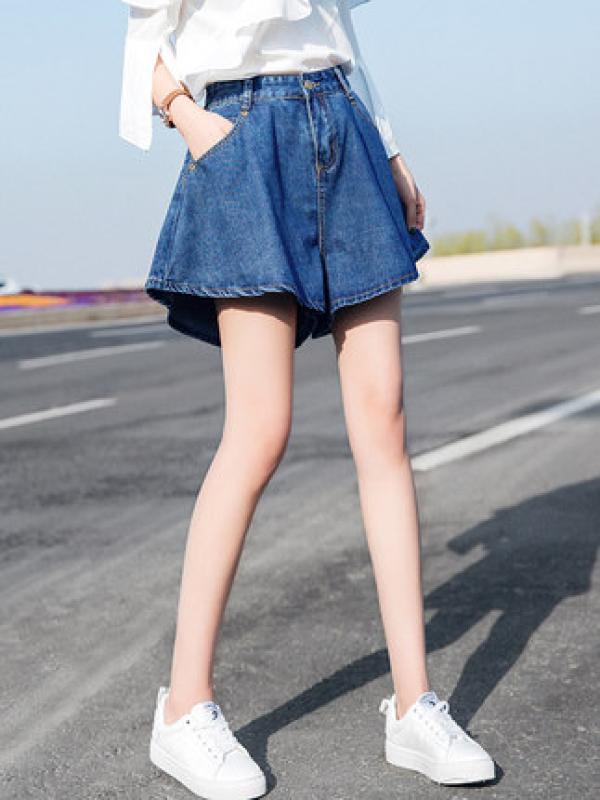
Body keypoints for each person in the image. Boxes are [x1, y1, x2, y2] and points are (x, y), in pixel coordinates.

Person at [119, 1, 495, 797]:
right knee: (260, 430)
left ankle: (414, 705)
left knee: (384, 420)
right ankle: (183, 709)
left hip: (345, 128)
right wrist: (191, 120)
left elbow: (337, 34)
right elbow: (145, 36)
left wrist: (390, 148)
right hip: (243, 135)